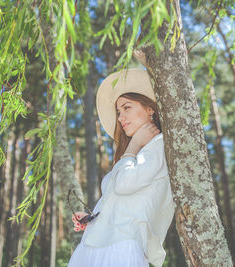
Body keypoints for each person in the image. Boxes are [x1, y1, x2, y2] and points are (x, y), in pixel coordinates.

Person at [67, 68, 174, 267]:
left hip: (122, 248)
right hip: (94, 246)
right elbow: (120, 200)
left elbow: (124, 184)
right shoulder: (136, 153)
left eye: (127, 107)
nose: (121, 117)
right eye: (118, 112)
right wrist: (93, 219)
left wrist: (133, 146)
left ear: (150, 108)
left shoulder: (159, 144)